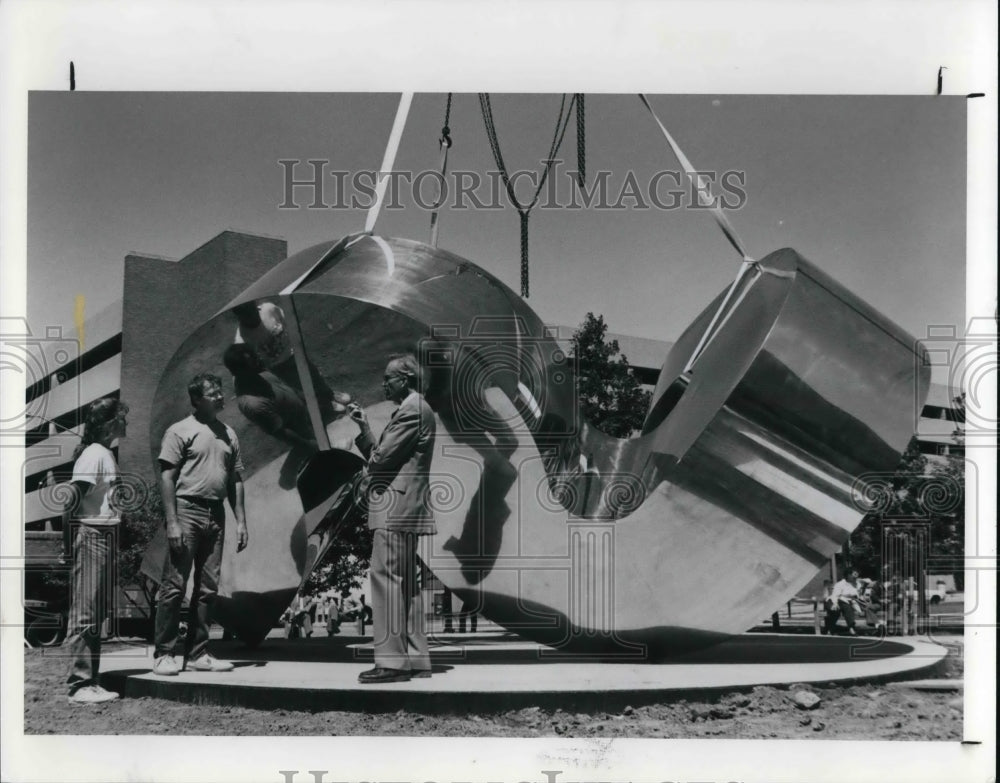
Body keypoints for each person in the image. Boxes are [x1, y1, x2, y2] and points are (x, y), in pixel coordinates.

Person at [151, 373, 249, 676]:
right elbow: (167, 477)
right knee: (174, 585)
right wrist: (173, 522)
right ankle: (164, 654)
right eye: (212, 393)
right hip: (186, 511)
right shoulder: (180, 431)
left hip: (216, 514)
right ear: (196, 400)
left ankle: (197, 653)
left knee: (208, 589)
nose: (220, 396)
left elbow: (235, 479)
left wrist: (241, 521)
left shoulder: (228, 433)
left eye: (220, 391)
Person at [349, 354, 436, 683]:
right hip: (405, 506)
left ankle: (391, 663)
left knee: (386, 579)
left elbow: (382, 459)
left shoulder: (412, 409)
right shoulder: (417, 408)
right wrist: (364, 429)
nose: (384, 383)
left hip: (394, 507)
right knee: (405, 585)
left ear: (407, 379)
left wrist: (369, 467)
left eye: (389, 378)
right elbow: (387, 455)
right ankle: (415, 657)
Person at [62, 398, 129, 704]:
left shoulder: (105, 454)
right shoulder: (95, 455)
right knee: (85, 611)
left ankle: (91, 680)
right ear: (109, 422)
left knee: (95, 612)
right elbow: (70, 502)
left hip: (103, 537)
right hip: (91, 536)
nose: (126, 422)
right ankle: (79, 685)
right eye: (122, 417)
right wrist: (68, 545)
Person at [232, 300, 350, 423]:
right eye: (248, 315)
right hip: (278, 367)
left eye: (254, 311)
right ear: (239, 317)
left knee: (314, 374)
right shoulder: (241, 340)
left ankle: (329, 394)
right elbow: (251, 365)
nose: (253, 316)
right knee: (301, 386)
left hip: (294, 353)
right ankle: (325, 404)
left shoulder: (268, 309)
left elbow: (286, 322)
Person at [222, 343, 317, 452]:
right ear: (240, 371)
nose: (259, 359)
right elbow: (282, 433)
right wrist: (309, 445)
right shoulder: (254, 405)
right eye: (253, 360)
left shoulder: (256, 371)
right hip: (303, 432)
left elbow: (282, 385)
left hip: (307, 416)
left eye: (255, 356)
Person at [830, 570, 865, 636]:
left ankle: (877, 625)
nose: (855, 577)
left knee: (851, 607)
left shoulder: (858, 584)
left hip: (854, 601)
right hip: (841, 600)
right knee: (847, 607)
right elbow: (835, 595)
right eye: (854, 575)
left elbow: (859, 595)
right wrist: (835, 603)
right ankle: (851, 627)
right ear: (848, 575)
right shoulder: (840, 584)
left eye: (857, 575)